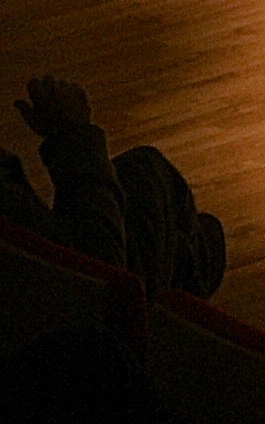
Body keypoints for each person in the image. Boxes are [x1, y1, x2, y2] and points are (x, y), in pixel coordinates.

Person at [1, 74, 226, 297]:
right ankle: (185, 280)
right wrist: (73, 134)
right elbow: (99, 271)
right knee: (146, 173)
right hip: (90, 300)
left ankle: (188, 266)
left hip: (62, 282)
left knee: (141, 173)